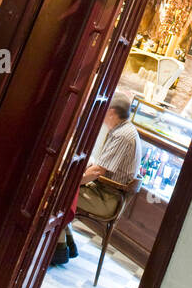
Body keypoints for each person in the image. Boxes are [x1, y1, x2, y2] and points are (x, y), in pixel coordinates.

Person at [53, 94, 143, 265]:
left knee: (59, 194)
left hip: (107, 199)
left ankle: (59, 249)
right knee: (63, 189)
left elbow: (97, 172)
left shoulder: (122, 135)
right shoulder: (123, 130)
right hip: (106, 193)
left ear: (111, 112)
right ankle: (66, 244)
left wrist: (69, 182)